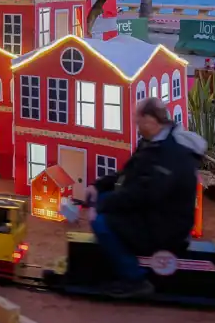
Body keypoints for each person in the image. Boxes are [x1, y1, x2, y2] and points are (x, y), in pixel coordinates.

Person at [86, 98, 206, 298]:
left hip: (166, 226)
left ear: (150, 120)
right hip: (153, 213)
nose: (136, 125)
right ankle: (113, 257)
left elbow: (146, 194)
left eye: (138, 120)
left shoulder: (170, 153)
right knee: (102, 202)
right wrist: (98, 187)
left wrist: (103, 206)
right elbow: (128, 175)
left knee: (101, 221)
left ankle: (134, 279)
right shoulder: (153, 142)